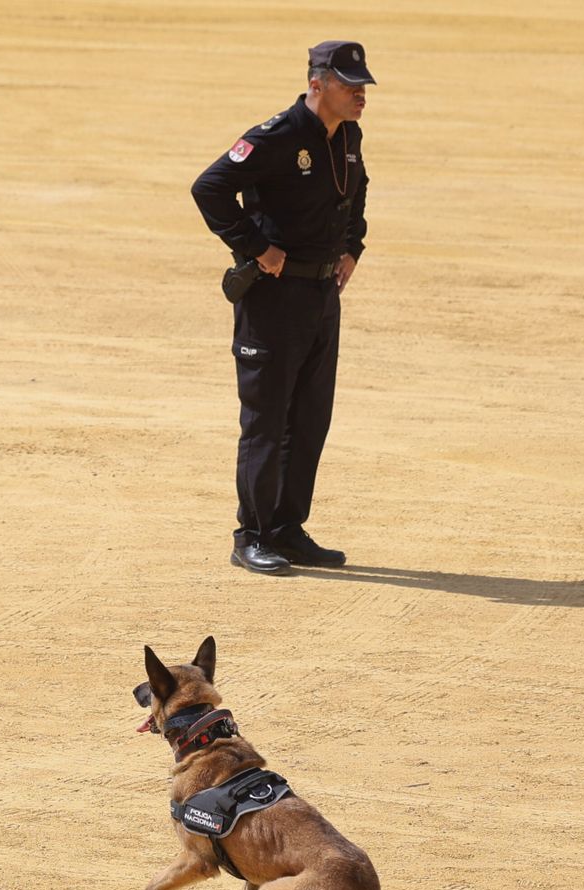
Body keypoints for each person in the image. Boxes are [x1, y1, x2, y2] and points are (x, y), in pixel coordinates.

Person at [191, 41, 373, 575]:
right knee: (266, 421)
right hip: (272, 300)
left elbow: (357, 193)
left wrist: (352, 247)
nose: (359, 94)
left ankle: (288, 529)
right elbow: (210, 189)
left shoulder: (350, 137)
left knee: (310, 417)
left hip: (321, 296)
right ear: (317, 84)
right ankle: (251, 534)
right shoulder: (276, 137)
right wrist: (254, 246)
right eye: (348, 83)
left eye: (362, 84)